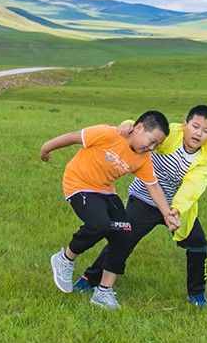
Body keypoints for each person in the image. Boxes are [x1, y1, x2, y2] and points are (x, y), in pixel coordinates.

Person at [74, 105, 207, 308]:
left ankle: (197, 295)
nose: (198, 133)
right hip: (144, 199)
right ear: (185, 124)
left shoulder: (204, 158)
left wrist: (175, 210)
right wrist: (126, 124)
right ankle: (90, 279)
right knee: (123, 238)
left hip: (175, 209)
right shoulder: (169, 135)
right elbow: (142, 130)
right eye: (195, 126)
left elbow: (193, 186)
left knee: (198, 244)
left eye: (206, 131)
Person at [38, 111, 180, 310]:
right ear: (138, 128)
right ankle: (65, 259)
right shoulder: (108, 134)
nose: (151, 147)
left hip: (105, 191)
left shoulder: (143, 158)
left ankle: (103, 292)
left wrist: (167, 214)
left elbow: (153, 186)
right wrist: (46, 148)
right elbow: (72, 137)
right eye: (151, 141)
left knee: (125, 232)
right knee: (100, 225)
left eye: (156, 145)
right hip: (79, 184)